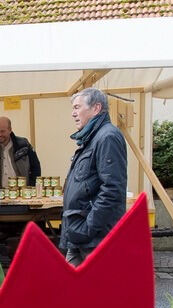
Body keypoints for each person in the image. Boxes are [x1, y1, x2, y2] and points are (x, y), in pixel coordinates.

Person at [61, 87, 127, 267]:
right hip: (80, 234)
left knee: (94, 291)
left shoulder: (107, 137)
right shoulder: (92, 137)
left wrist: (88, 228)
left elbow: (113, 189)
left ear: (96, 108)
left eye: (77, 107)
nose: (73, 114)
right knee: (69, 289)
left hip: (94, 237)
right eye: (73, 109)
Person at [0, 116, 41, 188]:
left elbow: (36, 166)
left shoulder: (24, 144)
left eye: (2, 131)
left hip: (22, 191)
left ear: (10, 130)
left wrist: (31, 186)